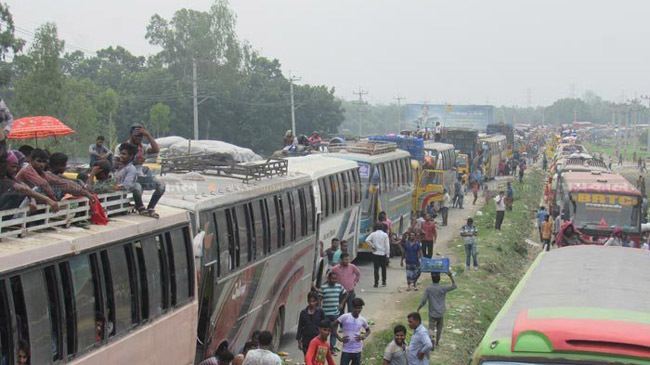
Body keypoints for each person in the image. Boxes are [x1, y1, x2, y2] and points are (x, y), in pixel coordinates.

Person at [124, 123, 165, 217]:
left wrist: (148, 135)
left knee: (161, 185)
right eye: (137, 136)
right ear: (131, 135)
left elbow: (156, 149)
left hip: (140, 175)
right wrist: (133, 162)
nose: (139, 138)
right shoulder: (123, 147)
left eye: (141, 136)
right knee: (137, 187)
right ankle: (141, 208)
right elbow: (117, 165)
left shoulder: (142, 147)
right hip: (128, 176)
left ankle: (151, 207)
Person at [417, 272, 457, 347]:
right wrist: (450, 276)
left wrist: (418, 308)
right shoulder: (443, 288)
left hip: (432, 312)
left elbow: (423, 300)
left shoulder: (429, 289)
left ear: (432, 278)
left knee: (431, 328)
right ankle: (437, 342)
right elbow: (454, 286)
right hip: (441, 312)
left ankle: (431, 341)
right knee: (439, 328)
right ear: (439, 279)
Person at [333, 297, 370, 365]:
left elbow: (368, 330)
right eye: (356, 308)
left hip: (357, 350)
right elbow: (333, 325)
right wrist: (339, 338)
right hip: (346, 349)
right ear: (352, 307)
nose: (358, 310)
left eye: (359, 308)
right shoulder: (345, 317)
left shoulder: (362, 320)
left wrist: (363, 337)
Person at [318, 271, 348, 353]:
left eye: (335, 279)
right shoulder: (323, 287)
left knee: (334, 331)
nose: (334, 280)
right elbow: (319, 298)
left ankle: (332, 348)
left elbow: (346, 294)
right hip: (325, 314)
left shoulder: (339, 287)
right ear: (328, 278)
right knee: (324, 332)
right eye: (332, 278)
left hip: (335, 314)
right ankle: (323, 348)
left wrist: (342, 303)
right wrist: (320, 308)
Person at [297, 291, 326, 356]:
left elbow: (325, 326)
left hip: (319, 341)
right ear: (307, 301)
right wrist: (299, 341)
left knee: (319, 360)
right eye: (310, 301)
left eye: (313, 301)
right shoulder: (303, 313)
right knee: (308, 359)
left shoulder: (320, 312)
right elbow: (300, 327)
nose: (311, 303)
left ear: (317, 301)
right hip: (306, 341)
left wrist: (324, 338)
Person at [367, 222, 390, 287]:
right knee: (383, 268)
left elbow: (367, 240)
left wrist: (373, 246)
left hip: (375, 253)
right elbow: (387, 246)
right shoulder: (385, 235)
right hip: (383, 254)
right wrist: (387, 255)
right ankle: (384, 281)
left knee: (376, 269)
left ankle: (376, 283)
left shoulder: (373, 234)